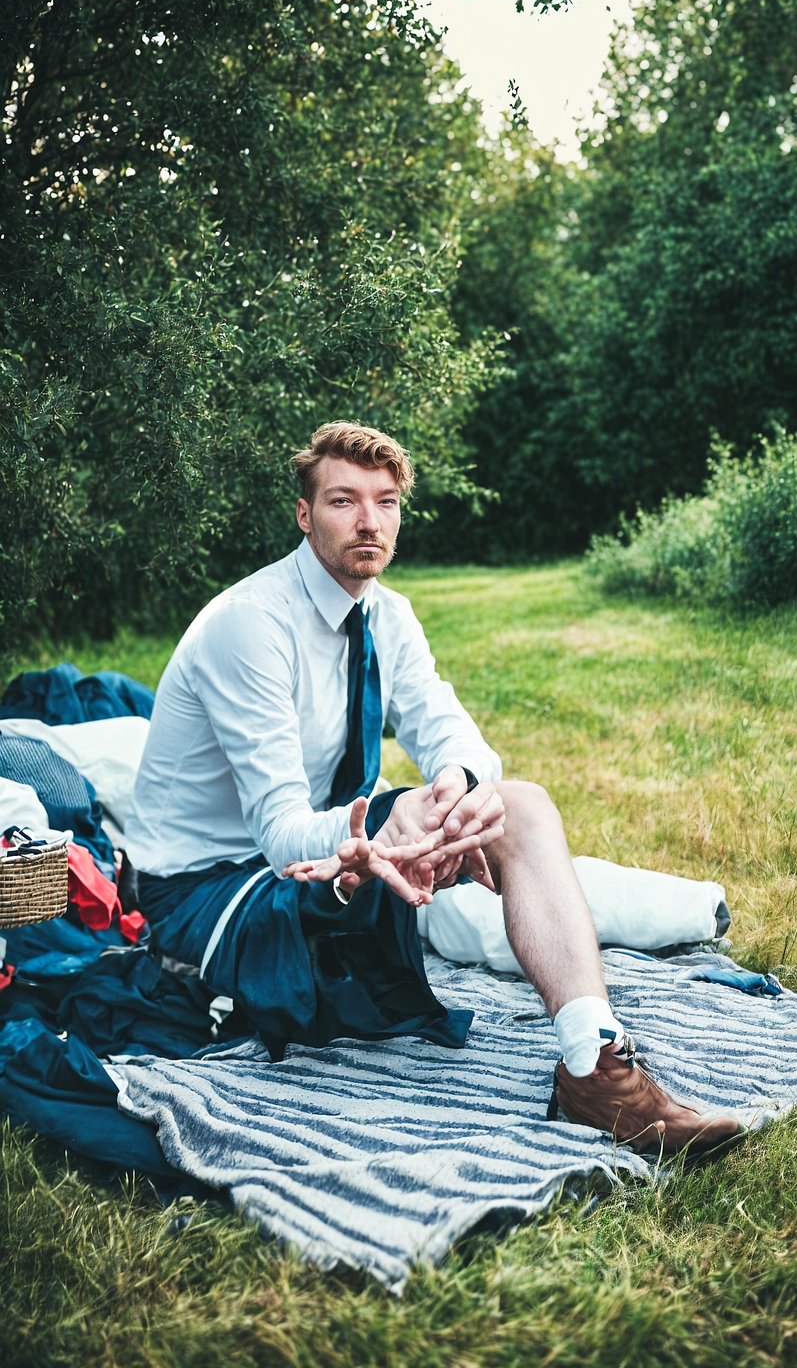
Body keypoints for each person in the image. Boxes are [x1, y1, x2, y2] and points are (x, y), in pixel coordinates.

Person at [126, 421, 742, 1157]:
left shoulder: (387, 614)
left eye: (385, 503)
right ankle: (586, 1056)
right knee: (469, 819)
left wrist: (460, 792)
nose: (368, 522)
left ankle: (593, 1063)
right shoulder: (249, 626)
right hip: (210, 888)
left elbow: (456, 736)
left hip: (331, 850)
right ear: (304, 514)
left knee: (516, 804)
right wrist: (393, 828)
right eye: (343, 501)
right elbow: (281, 833)